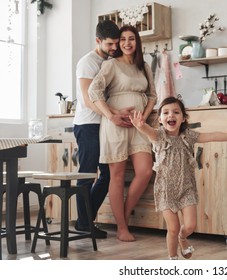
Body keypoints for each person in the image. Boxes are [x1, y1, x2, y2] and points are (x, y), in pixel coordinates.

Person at [129, 97, 227, 259]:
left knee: (190, 226)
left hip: (186, 188)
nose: (171, 115)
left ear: (183, 118)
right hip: (165, 190)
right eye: (166, 113)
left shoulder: (188, 136)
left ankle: (182, 238)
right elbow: (147, 130)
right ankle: (173, 259)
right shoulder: (158, 136)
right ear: (161, 119)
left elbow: (212, 136)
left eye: (176, 112)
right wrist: (141, 126)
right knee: (173, 228)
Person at [88, 25, 157, 242]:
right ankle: (121, 228)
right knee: (116, 176)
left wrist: (143, 118)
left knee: (145, 171)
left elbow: (152, 95)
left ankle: (123, 219)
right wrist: (111, 115)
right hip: (115, 124)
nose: (127, 43)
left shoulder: (144, 67)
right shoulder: (111, 65)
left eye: (132, 39)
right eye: (123, 39)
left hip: (139, 125)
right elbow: (93, 91)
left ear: (137, 42)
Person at [73, 20, 134, 239]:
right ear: (98, 40)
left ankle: (84, 219)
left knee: (107, 174)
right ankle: (84, 222)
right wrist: (113, 114)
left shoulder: (110, 60)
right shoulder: (87, 62)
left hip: (104, 124)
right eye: (109, 44)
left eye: (116, 43)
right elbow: (90, 100)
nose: (113, 48)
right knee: (88, 173)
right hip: (88, 123)